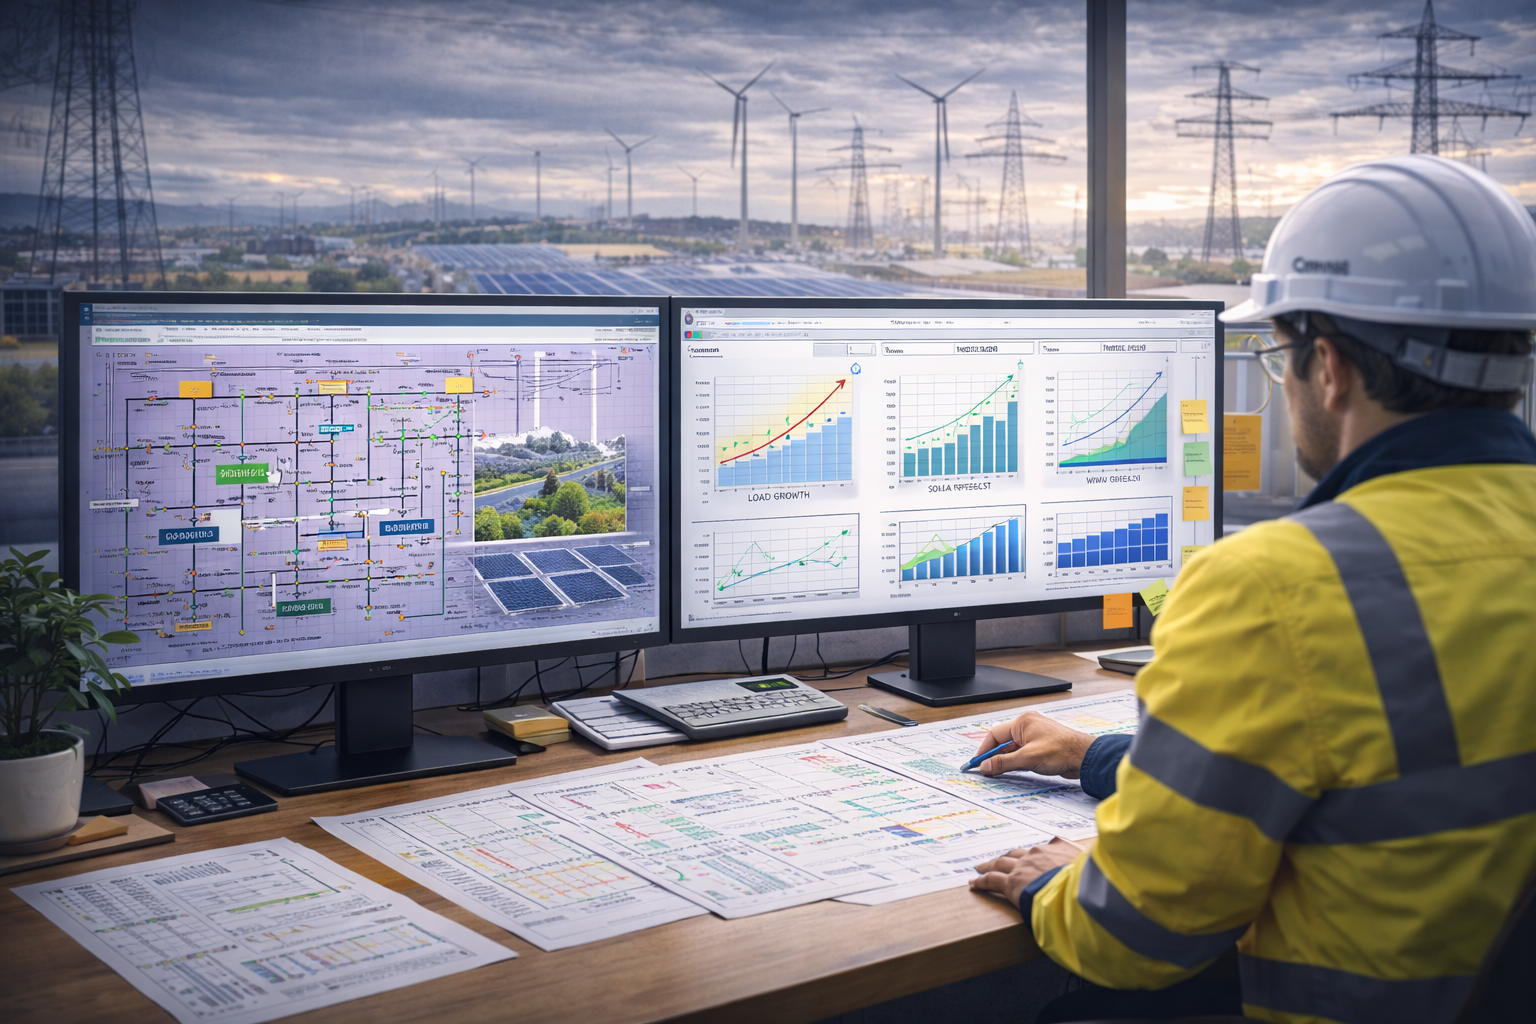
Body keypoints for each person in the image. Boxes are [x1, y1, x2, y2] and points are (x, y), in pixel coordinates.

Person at [968, 154, 1536, 1024]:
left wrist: (1055, 887)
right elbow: (1385, 776)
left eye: (1282, 359)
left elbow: (1132, 942)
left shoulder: (1274, 589)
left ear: (1332, 367)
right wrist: (1099, 758)